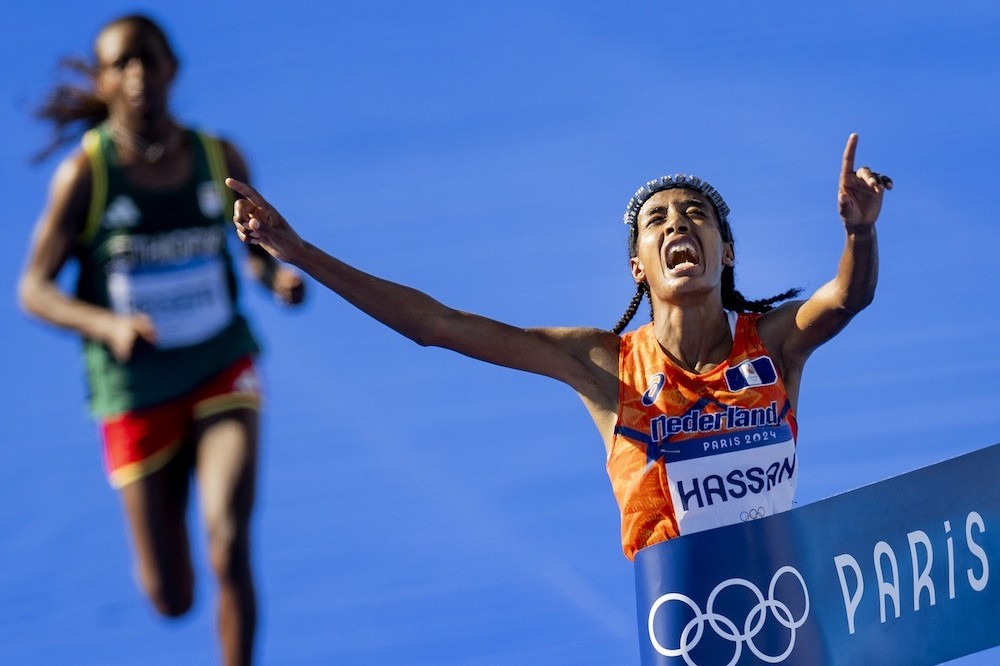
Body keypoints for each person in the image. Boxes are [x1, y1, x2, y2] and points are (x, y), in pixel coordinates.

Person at [225, 134, 889, 562]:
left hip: (783, 621)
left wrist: (859, 234)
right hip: (686, 629)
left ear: (728, 250)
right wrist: (297, 252)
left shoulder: (773, 345)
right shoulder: (605, 366)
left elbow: (846, 298)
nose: (676, 224)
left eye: (695, 215)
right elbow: (439, 325)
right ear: (639, 266)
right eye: (657, 220)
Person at [17, 14, 304, 666]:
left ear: (174, 69)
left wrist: (273, 276)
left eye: (150, 60)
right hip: (136, 391)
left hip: (220, 364)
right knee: (172, 598)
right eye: (123, 64)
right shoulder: (85, 177)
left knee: (229, 544)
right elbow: (33, 289)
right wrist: (107, 325)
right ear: (104, 81)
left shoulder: (218, 159)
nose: (139, 76)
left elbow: (251, 251)